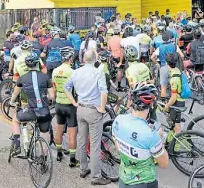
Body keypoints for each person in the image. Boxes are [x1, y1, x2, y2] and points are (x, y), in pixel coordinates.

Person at [64, 50, 110, 185]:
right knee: (95, 145)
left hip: (81, 109)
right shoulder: (98, 72)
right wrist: (101, 108)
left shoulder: (76, 72)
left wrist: (74, 102)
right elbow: (104, 92)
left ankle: (83, 169)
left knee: (82, 141)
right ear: (95, 60)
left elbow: (66, 87)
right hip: (93, 110)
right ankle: (96, 177)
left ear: (83, 59)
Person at [112, 82, 168, 188]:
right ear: (151, 105)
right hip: (144, 182)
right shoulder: (150, 134)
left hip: (123, 179)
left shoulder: (118, 120)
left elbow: (118, 148)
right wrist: (159, 138)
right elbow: (164, 164)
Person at [9, 52, 55, 156]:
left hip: (31, 111)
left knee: (15, 120)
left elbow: (16, 92)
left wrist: (11, 102)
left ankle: (17, 144)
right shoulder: (46, 77)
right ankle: (44, 157)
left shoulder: (22, 78)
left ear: (27, 65)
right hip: (44, 111)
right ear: (38, 64)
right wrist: (45, 99)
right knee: (45, 133)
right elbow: (52, 96)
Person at [52, 46, 79, 166]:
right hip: (70, 105)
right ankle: (72, 160)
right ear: (70, 58)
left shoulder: (55, 71)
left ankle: (59, 154)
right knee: (72, 133)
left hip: (59, 104)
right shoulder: (73, 72)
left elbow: (54, 89)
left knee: (59, 129)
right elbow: (77, 89)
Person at [151, 31, 184, 99]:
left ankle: (164, 104)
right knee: (175, 87)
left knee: (163, 87)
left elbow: (152, 57)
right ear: (169, 38)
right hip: (174, 68)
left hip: (164, 68)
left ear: (162, 39)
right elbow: (182, 56)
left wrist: (157, 63)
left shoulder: (160, 48)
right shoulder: (174, 46)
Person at [164, 53, 186, 137]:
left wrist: (167, 105)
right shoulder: (177, 70)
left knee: (175, 124)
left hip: (177, 102)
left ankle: (176, 140)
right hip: (181, 99)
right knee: (177, 121)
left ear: (167, 63)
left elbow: (173, 97)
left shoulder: (174, 79)